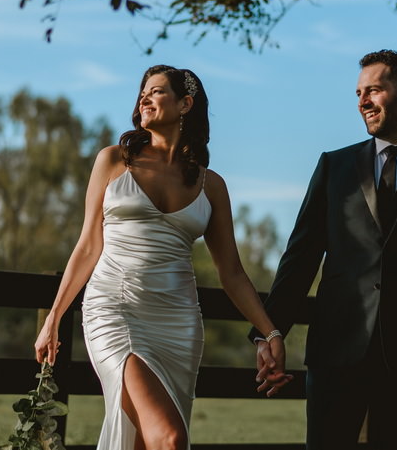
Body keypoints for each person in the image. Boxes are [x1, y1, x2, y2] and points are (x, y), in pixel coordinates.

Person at [36, 64, 292, 450]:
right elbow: (89, 245)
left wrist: (269, 333)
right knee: (169, 439)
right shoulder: (112, 161)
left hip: (179, 323)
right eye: (143, 92)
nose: (144, 97)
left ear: (185, 104)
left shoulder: (212, 186)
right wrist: (54, 316)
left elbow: (232, 273)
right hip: (114, 308)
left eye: (156, 91)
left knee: (146, 440)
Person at [252, 50, 397, 449]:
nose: (363, 101)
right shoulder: (334, 167)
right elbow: (300, 259)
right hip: (335, 353)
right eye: (359, 92)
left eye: (375, 90)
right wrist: (270, 332)